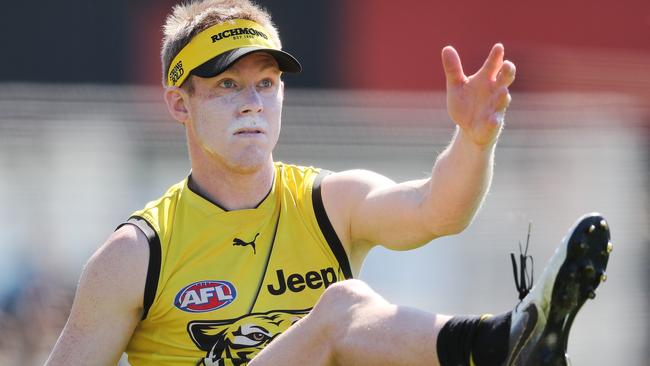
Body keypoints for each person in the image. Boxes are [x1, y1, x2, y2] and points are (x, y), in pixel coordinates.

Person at [45, 0, 612, 365]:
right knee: (341, 307)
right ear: (179, 103)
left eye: (266, 83)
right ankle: (497, 343)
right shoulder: (136, 252)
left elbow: (437, 211)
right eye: (226, 86)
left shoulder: (327, 200)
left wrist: (473, 138)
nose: (252, 104)